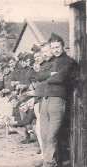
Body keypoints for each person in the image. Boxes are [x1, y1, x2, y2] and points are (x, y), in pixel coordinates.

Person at [37, 33, 77, 167]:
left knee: (52, 135)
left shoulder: (68, 61)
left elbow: (60, 78)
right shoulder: (51, 62)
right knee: (44, 134)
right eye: (53, 48)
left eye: (57, 47)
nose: (55, 50)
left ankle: (49, 163)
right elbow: (38, 76)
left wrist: (47, 79)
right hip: (46, 99)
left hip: (58, 100)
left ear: (63, 46)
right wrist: (49, 74)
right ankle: (49, 160)